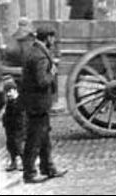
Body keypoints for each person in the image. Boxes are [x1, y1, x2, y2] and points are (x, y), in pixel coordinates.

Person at [21, 25, 67, 184]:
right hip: (38, 104)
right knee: (34, 139)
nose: (53, 41)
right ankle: (29, 174)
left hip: (36, 103)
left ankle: (48, 168)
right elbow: (42, 81)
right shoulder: (39, 56)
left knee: (44, 137)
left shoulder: (34, 51)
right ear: (47, 38)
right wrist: (52, 72)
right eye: (52, 38)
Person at [2, 78, 25, 171]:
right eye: (7, 92)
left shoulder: (20, 102)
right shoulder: (9, 102)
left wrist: (20, 126)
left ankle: (25, 162)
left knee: (19, 145)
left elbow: (22, 116)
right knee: (10, 145)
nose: (8, 94)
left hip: (18, 128)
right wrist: (5, 122)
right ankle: (13, 162)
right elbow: (7, 114)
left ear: (15, 90)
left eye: (10, 91)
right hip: (10, 128)